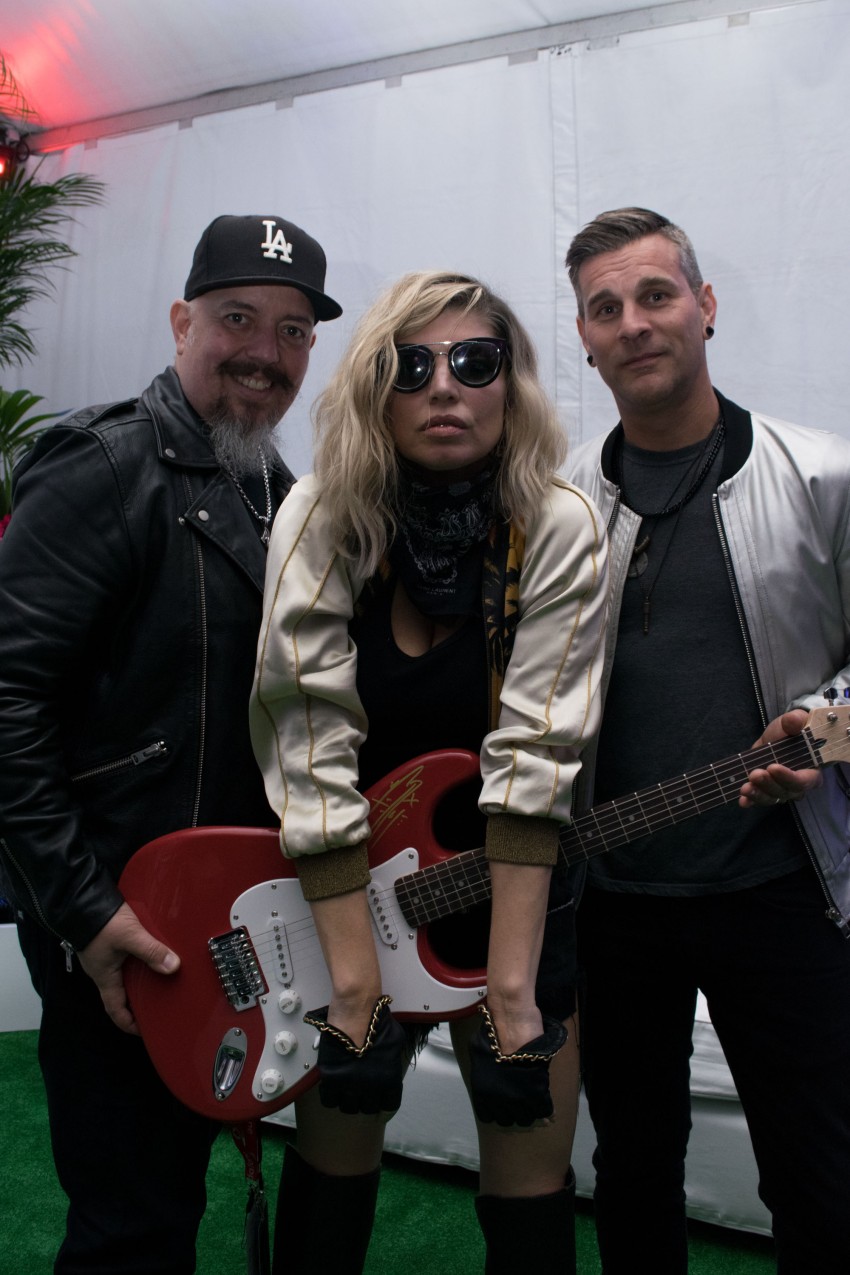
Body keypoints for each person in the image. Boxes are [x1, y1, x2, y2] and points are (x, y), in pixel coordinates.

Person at [0, 213, 341, 1273]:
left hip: (218, 925)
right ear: (181, 321)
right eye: (238, 318)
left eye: (293, 332)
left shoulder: (279, 491)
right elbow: (6, 701)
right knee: (132, 1225)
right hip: (120, 923)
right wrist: (87, 912)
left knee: (166, 1203)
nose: (264, 353)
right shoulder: (102, 464)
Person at [249, 269, 609, 1274]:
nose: (443, 385)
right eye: (411, 366)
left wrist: (512, 994)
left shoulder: (557, 523)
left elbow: (537, 754)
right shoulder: (324, 513)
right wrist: (354, 981)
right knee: (333, 1166)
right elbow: (305, 733)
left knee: (530, 1181)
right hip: (349, 895)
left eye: (473, 361)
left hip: (515, 895)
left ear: (510, 384)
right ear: (376, 386)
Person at [565, 206, 850, 1273]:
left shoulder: (821, 476)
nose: (634, 323)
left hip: (786, 891)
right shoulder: (559, 506)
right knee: (633, 1172)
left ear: (706, 305)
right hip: (613, 903)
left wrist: (822, 731)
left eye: (656, 294)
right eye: (606, 308)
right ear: (585, 339)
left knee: (820, 1177)